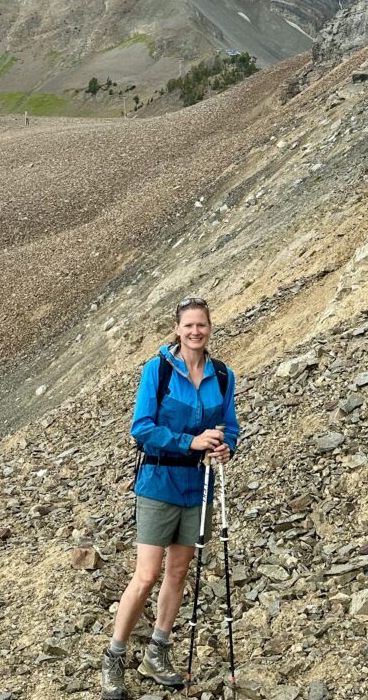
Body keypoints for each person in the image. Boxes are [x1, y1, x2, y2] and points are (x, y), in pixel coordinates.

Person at [101, 296, 240, 700]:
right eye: (189, 326)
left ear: (209, 327)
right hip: (159, 484)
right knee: (146, 575)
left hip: (199, 488)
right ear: (177, 329)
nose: (195, 332)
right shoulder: (158, 370)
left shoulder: (222, 375)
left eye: (202, 325)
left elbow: (229, 425)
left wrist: (225, 446)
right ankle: (114, 656)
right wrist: (191, 441)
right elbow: (141, 428)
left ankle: (156, 654)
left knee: (178, 573)